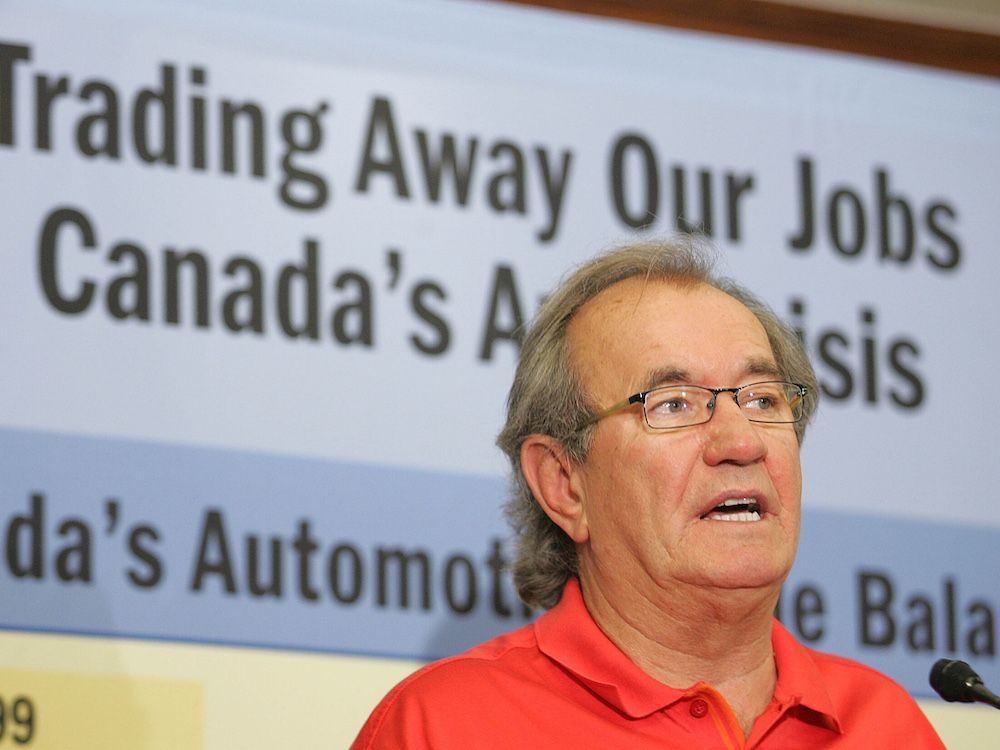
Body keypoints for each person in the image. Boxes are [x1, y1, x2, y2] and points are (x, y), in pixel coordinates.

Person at [351, 238, 945, 749]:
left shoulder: (886, 725)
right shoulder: (449, 726)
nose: (741, 440)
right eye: (673, 405)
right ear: (565, 484)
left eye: (763, 399)